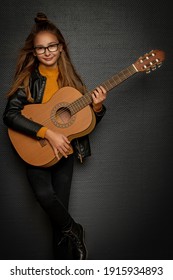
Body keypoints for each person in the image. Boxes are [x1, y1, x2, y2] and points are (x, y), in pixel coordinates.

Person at [3, 12, 107, 260]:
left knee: (57, 220)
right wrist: (47, 133)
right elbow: (9, 115)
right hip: (35, 148)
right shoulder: (29, 80)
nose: (47, 51)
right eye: (41, 48)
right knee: (44, 197)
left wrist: (98, 107)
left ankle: (62, 268)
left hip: (65, 153)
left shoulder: (71, 81)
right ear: (34, 52)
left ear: (61, 47)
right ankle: (76, 230)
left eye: (52, 46)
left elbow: (85, 122)